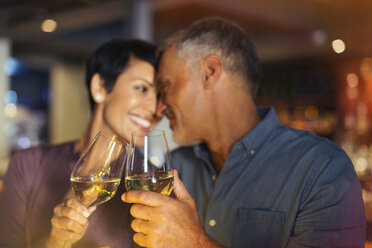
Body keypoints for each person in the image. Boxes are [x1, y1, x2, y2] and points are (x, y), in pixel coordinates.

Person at [122, 17, 366, 247]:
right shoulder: (176, 168)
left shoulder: (323, 169)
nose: (159, 107)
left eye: (165, 86)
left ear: (210, 72)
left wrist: (193, 242)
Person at [0, 39, 158, 248]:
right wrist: (54, 243)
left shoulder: (151, 185)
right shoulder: (28, 164)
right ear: (100, 87)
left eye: (160, 94)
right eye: (142, 88)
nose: (154, 107)